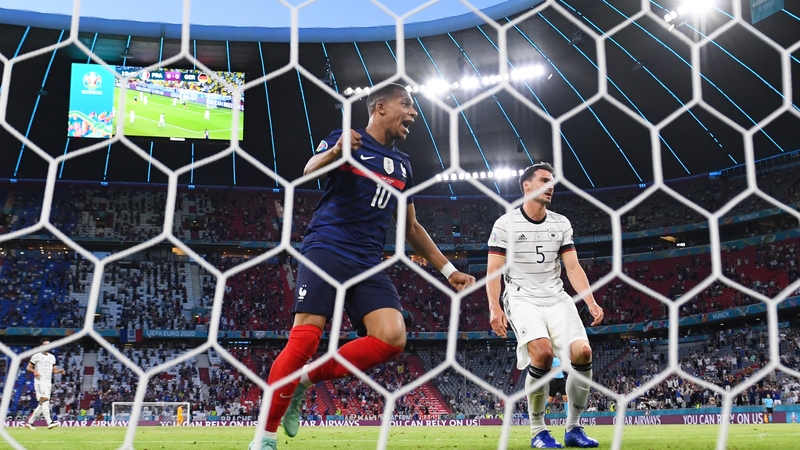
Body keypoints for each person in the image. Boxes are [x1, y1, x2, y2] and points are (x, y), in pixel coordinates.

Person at [248, 83, 475, 450]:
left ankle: (303, 382)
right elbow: (307, 170)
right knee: (306, 337)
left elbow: (411, 227)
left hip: (368, 261)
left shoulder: (403, 165)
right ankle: (265, 438)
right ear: (380, 107)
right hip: (328, 247)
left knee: (392, 336)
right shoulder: (346, 139)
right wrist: (337, 153)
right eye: (407, 105)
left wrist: (450, 271)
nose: (413, 114)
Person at [486, 162, 604, 449]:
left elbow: (573, 268)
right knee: (541, 354)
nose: (551, 186)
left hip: (556, 297)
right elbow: (494, 271)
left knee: (583, 352)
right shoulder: (505, 224)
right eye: (544, 180)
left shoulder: (560, 223)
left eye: (553, 181)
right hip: (522, 298)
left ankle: (573, 428)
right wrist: (494, 307)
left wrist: (590, 301)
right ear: (527, 186)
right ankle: (538, 431)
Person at [24, 339, 66, 430]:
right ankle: (49, 422)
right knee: (46, 400)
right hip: (40, 381)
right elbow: (28, 367)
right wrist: (35, 371)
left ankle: (30, 422)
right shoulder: (36, 356)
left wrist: (59, 371)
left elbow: (54, 370)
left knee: (43, 402)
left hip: (48, 381)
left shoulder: (52, 357)